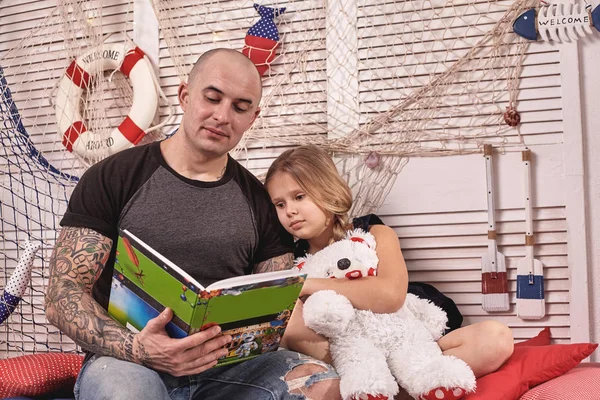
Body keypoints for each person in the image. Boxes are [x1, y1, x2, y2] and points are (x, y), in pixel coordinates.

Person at [45, 49, 341, 400]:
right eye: (212, 98)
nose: (222, 116)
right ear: (185, 96)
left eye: (240, 107)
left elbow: (277, 310)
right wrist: (143, 349)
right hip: (128, 362)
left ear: (253, 117)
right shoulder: (112, 177)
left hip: (225, 370)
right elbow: (62, 293)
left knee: (318, 382)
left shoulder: (260, 202)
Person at [265, 145, 514, 400]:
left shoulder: (373, 234)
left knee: (496, 337)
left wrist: (306, 285)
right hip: (349, 357)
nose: (290, 211)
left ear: (327, 189)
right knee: (286, 316)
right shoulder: (291, 261)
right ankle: (378, 386)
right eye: (279, 204)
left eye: (299, 197)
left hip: (403, 343)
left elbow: (389, 296)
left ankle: (409, 383)